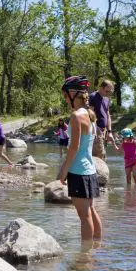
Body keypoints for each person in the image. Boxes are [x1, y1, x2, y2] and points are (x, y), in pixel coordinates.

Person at [58, 76, 102, 242]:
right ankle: (97, 247)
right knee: (91, 210)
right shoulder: (91, 115)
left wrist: (63, 172)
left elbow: (73, 149)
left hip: (78, 171)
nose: (65, 99)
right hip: (89, 170)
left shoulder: (76, 116)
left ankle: (86, 258)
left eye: (64, 95)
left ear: (72, 93)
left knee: (84, 217)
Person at [89, 79, 115, 160]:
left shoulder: (107, 99)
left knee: (102, 155)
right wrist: (95, 129)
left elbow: (108, 115)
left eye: (109, 92)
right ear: (101, 87)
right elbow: (90, 115)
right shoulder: (93, 96)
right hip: (96, 130)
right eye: (107, 91)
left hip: (105, 131)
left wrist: (110, 131)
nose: (108, 94)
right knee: (99, 154)